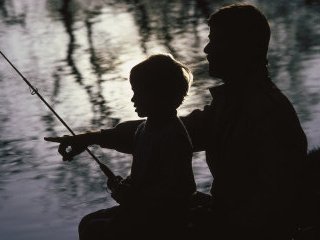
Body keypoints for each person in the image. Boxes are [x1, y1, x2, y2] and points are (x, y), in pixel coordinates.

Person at [45, 3, 308, 240]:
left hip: (241, 227)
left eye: (214, 40)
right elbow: (157, 127)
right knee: (94, 223)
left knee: (96, 230)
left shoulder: (267, 112)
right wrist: (93, 137)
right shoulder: (232, 104)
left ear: (239, 47)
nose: (206, 49)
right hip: (225, 214)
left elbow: (275, 201)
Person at [46, 53, 196, 239]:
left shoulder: (173, 135)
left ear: (160, 95)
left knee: (95, 230)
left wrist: (136, 198)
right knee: (88, 223)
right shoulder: (143, 129)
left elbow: (182, 188)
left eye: (139, 93)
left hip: (163, 217)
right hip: (143, 209)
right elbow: (146, 173)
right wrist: (127, 185)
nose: (133, 99)